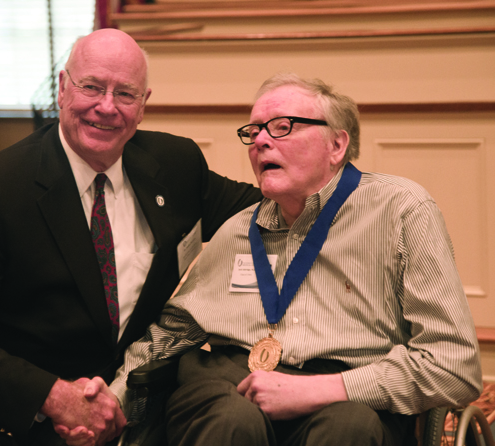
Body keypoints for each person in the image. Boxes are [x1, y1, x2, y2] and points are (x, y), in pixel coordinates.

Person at [77, 73, 480, 446]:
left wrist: (323, 389)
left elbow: (454, 366)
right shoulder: (238, 229)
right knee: (232, 422)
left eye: (282, 126)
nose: (260, 141)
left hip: (350, 388)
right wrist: (112, 399)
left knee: (348, 429)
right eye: (253, 131)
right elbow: (173, 332)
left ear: (337, 145)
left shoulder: (401, 211)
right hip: (228, 382)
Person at [0, 28, 262, 446]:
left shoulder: (176, 164)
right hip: (9, 415)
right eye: (91, 87)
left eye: (125, 94)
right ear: (62, 88)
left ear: (144, 105)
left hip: (132, 409)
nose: (107, 107)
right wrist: (54, 396)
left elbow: (267, 208)